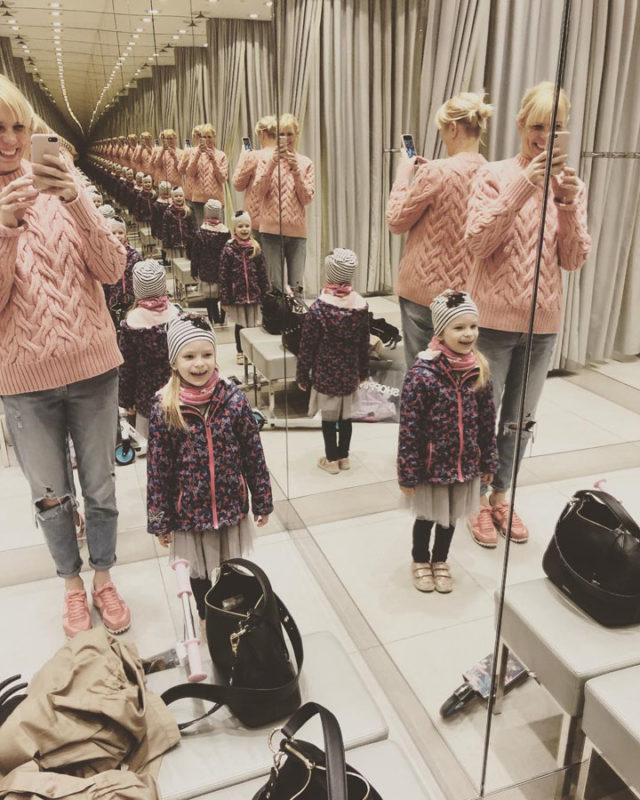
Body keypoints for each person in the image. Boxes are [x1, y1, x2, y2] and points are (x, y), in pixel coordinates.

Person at [0, 75, 130, 637]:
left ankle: (104, 576)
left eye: (18, 127)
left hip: (94, 367)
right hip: (24, 380)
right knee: (51, 496)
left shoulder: (63, 180)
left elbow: (113, 269)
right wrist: (4, 230)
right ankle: (72, 586)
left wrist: (77, 202)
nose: (10, 140)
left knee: (100, 485)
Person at [465, 81, 591, 546]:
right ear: (520, 125)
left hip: (543, 327)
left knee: (520, 421)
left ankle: (502, 494)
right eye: (537, 126)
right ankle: (475, 499)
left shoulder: (570, 186)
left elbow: (573, 259)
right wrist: (523, 186)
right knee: (483, 417)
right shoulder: (493, 174)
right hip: (492, 324)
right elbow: (478, 241)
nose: (544, 137)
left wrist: (568, 205)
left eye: (556, 128)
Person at [146, 315, 273, 621]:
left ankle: (233, 615)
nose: (199, 363)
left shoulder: (234, 400)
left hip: (230, 505)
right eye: (189, 356)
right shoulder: (165, 407)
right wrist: (160, 520)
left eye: (207, 354)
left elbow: (253, 453)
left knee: (232, 567)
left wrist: (262, 500)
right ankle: (206, 617)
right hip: (189, 513)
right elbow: (158, 469)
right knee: (199, 573)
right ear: (174, 362)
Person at [398, 290, 498, 593]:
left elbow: (487, 421)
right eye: (459, 327)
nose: (468, 334)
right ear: (440, 332)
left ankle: (440, 559)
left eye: (473, 326)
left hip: (464, 465)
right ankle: (420, 559)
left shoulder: (478, 370)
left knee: (451, 518)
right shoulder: (422, 374)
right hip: (431, 466)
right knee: (427, 517)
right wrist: (407, 473)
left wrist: (488, 460)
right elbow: (409, 428)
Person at [386, 92, 493, 368]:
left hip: (423, 292)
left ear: (453, 128)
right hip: (467, 296)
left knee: (421, 374)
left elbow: (396, 221)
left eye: (443, 131)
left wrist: (403, 176)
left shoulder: (435, 172)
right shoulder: (493, 173)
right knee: (459, 372)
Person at [296, 249, 370, 474]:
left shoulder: (319, 309)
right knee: (346, 418)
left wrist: (302, 374)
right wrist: (363, 372)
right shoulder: (361, 306)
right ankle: (344, 457)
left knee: (328, 419)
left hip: (325, 373)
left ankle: (331, 460)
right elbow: (364, 343)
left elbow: (307, 346)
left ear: (329, 274)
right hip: (349, 373)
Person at [118, 260, 181, 446]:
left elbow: (127, 366)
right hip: (177, 390)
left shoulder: (131, 322)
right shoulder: (177, 315)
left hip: (146, 395)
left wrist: (126, 400)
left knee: (152, 446)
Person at [253, 113, 315, 293]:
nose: (286, 138)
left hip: (297, 233)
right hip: (270, 233)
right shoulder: (265, 160)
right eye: (281, 134)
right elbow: (258, 192)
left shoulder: (306, 163)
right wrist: (272, 163)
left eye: (289, 134)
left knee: (296, 287)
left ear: (297, 134)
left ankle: (296, 313)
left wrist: (296, 171)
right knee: (275, 289)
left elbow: (307, 198)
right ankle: (277, 313)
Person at [219, 210, 270, 365]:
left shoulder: (255, 247)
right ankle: (240, 351)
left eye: (247, 226)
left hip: (254, 294)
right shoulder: (228, 249)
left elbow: (262, 272)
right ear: (234, 229)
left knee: (253, 325)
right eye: (240, 226)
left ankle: (252, 351)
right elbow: (223, 275)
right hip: (237, 295)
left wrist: (265, 292)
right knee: (240, 325)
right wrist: (225, 299)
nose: (244, 229)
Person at [232, 115, 277, 244]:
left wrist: (243, 157)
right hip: (277, 220)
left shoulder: (253, 156)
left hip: (256, 219)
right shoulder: (284, 156)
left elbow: (237, 184)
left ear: (262, 134)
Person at [190, 198, 230, 325]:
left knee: (209, 297)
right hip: (222, 270)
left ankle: (212, 319)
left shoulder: (200, 233)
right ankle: (222, 319)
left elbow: (195, 253)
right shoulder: (226, 232)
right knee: (222, 295)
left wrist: (194, 270)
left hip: (205, 270)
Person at [101, 212, 141, 328]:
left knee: (130, 325)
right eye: (113, 233)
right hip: (112, 298)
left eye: (120, 233)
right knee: (114, 326)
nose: (117, 236)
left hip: (131, 298)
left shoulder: (133, 255)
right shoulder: (105, 255)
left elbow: (140, 275)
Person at [185, 123, 228, 228]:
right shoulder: (194, 153)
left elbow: (222, 179)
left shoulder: (221, 155)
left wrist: (214, 161)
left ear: (214, 137)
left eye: (209, 137)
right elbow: (190, 173)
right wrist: (198, 154)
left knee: (218, 230)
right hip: (198, 200)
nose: (207, 140)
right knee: (201, 230)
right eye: (204, 137)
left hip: (217, 201)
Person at [162, 185, 197, 261]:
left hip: (187, 244)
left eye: (181, 196)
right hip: (174, 244)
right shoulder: (168, 212)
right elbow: (165, 229)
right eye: (176, 196)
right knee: (176, 262)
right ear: (172, 198)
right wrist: (165, 244)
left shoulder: (188, 210)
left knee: (186, 262)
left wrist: (194, 240)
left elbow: (193, 227)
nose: (178, 198)